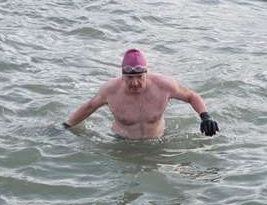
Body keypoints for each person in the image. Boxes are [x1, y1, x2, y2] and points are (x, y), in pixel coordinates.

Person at [63, 48, 220, 140]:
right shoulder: (110, 90)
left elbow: (191, 96)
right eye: (130, 77)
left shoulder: (163, 85)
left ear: (146, 73)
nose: (135, 82)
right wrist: (66, 126)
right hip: (122, 142)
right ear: (122, 75)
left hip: (158, 140)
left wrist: (205, 116)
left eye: (139, 77)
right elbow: (89, 107)